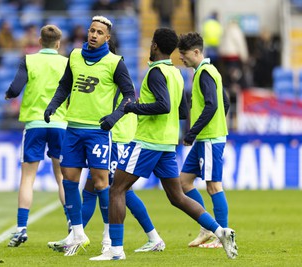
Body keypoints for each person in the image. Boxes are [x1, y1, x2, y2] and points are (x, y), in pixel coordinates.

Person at [89, 28, 238, 261]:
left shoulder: (156, 72)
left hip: (149, 141)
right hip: (168, 144)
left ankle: (115, 250)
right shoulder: (177, 74)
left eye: (151, 43)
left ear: (155, 46)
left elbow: (164, 106)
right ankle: (221, 231)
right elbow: (181, 110)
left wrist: (133, 107)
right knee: (177, 196)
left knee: (117, 189)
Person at [48, 40, 164, 255]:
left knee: (119, 192)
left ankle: (141, 238)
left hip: (116, 139)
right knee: (92, 191)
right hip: (112, 137)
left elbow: (124, 104)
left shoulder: (111, 75)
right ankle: (77, 235)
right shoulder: (109, 72)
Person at [43, 15, 136, 256]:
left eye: (99, 32)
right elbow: (65, 85)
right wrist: (53, 105)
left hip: (97, 132)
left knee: (101, 183)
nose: (93, 35)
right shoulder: (74, 55)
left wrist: (114, 117)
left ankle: (108, 238)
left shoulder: (115, 62)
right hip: (73, 128)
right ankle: (77, 233)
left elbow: (129, 95)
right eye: (91, 30)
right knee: (68, 178)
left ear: (107, 37)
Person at [5, 24, 70, 247]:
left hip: (35, 123)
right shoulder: (66, 62)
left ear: (40, 42)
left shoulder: (29, 60)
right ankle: (72, 226)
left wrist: (8, 94)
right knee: (63, 178)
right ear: (59, 44)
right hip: (60, 123)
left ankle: (21, 229)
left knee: (28, 178)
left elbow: (15, 89)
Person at [177, 32, 232, 249]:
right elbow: (224, 103)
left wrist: (192, 132)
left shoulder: (204, 73)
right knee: (184, 181)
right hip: (206, 138)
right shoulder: (208, 71)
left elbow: (212, 105)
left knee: (214, 187)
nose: (181, 58)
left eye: (184, 54)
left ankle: (223, 234)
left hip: (208, 139)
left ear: (197, 52)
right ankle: (207, 227)